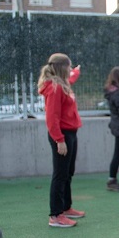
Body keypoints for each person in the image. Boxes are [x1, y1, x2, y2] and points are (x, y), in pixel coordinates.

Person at [39, 53, 84, 228]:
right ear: (62, 67)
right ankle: (55, 215)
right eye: (69, 66)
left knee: (68, 172)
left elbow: (71, 79)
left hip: (70, 133)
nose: (71, 69)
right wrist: (59, 139)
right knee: (60, 174)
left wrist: (76, 73)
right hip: (62, 134)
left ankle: (66, 207)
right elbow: (52, 117)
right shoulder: (55, 88)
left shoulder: (63, 84)